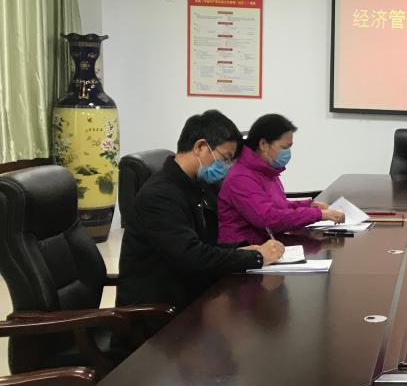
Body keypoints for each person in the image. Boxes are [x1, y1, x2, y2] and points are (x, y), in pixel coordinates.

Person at [118, 110, 285, 310]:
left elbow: (205, 244)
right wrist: (256, 257)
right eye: (225, 158)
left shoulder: (197, 186)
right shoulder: (159, 196)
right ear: (200, 147)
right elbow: (191, 256)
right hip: (159, 313)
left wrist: (243, 250)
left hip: (191, 296)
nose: (227, 167)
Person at [218, 114, 344, 245]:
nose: (288, 152)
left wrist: (309, 205)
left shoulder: (266, 171)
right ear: (263, 144)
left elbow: (278, 206)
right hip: (245, 250)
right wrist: (319, 214)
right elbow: (268, 219)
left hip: (268, 243)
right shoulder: (241, 177)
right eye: (285, 147)